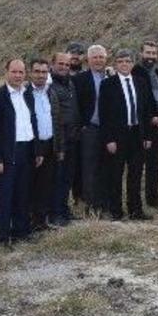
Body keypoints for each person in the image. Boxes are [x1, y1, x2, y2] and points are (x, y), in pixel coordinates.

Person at [0, 59, 41, 247]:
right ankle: (3, 237)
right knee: (5, 197)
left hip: (27, 150)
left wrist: (37, 151)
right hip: (7, 153)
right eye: (14, 72)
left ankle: (21, 232)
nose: (18, 75)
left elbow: (34, 123)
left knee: (23, 194)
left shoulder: (28, 94)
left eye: (21, 72)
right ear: (7, 72)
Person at [99, 49, 155, 220]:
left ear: (132, 64)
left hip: (137, 134)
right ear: (116, 64)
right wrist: (109, 139)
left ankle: (135, 210)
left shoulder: (140, 82)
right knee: (115, 174)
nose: (124, 64)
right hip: (117, 136)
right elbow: (104, 114)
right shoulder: (108, 84)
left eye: (128, 61)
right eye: (121, 61)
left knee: (136, 174)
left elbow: (146, 111)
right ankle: (116, 210)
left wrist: (147, 136)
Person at [132, 41, 158, 208]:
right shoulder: (135, 73)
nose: (151, 57)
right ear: (141, 54)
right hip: (142, 127)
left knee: (154, 164)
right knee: (137, 165)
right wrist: (150, 118)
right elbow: (137, 102)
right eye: (148, 53)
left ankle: (153, 198)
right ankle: (135, 202)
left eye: (153, 53)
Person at [27, 59, 64, 231]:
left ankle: (41, 222)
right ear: (30, 73)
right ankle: (28, 223)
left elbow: (57, 120)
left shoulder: (51, 92)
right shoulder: (25, 94)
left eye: (44, 72)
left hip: (50, 144)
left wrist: (59, 147)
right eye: (37, 71)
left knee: (46, 185)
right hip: (34, 146)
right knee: (31, 186)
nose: (41, 75)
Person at [72, 44, 109, 214]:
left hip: (108, 130)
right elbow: (75, 106)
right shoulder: (79, 79)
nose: (98, 60)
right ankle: (91, 205)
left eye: (101, 57)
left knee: (106, 166)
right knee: (89, 168)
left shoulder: (111, 77)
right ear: (88, 60)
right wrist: (82, 126)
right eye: (95, 57)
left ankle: (104, 202)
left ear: (106, 58)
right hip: (90, 129)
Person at [48, 52, 81, 225]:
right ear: (52, 64)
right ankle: (55, 214)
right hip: (59, 141)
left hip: (72, 139)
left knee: (68, 178)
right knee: (57, 179)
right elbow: (54, 118)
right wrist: (59, 146)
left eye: (67, 65)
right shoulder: (49, 86)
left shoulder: (70, 83)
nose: (64, 67)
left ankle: (64, 210)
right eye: (61, 64)